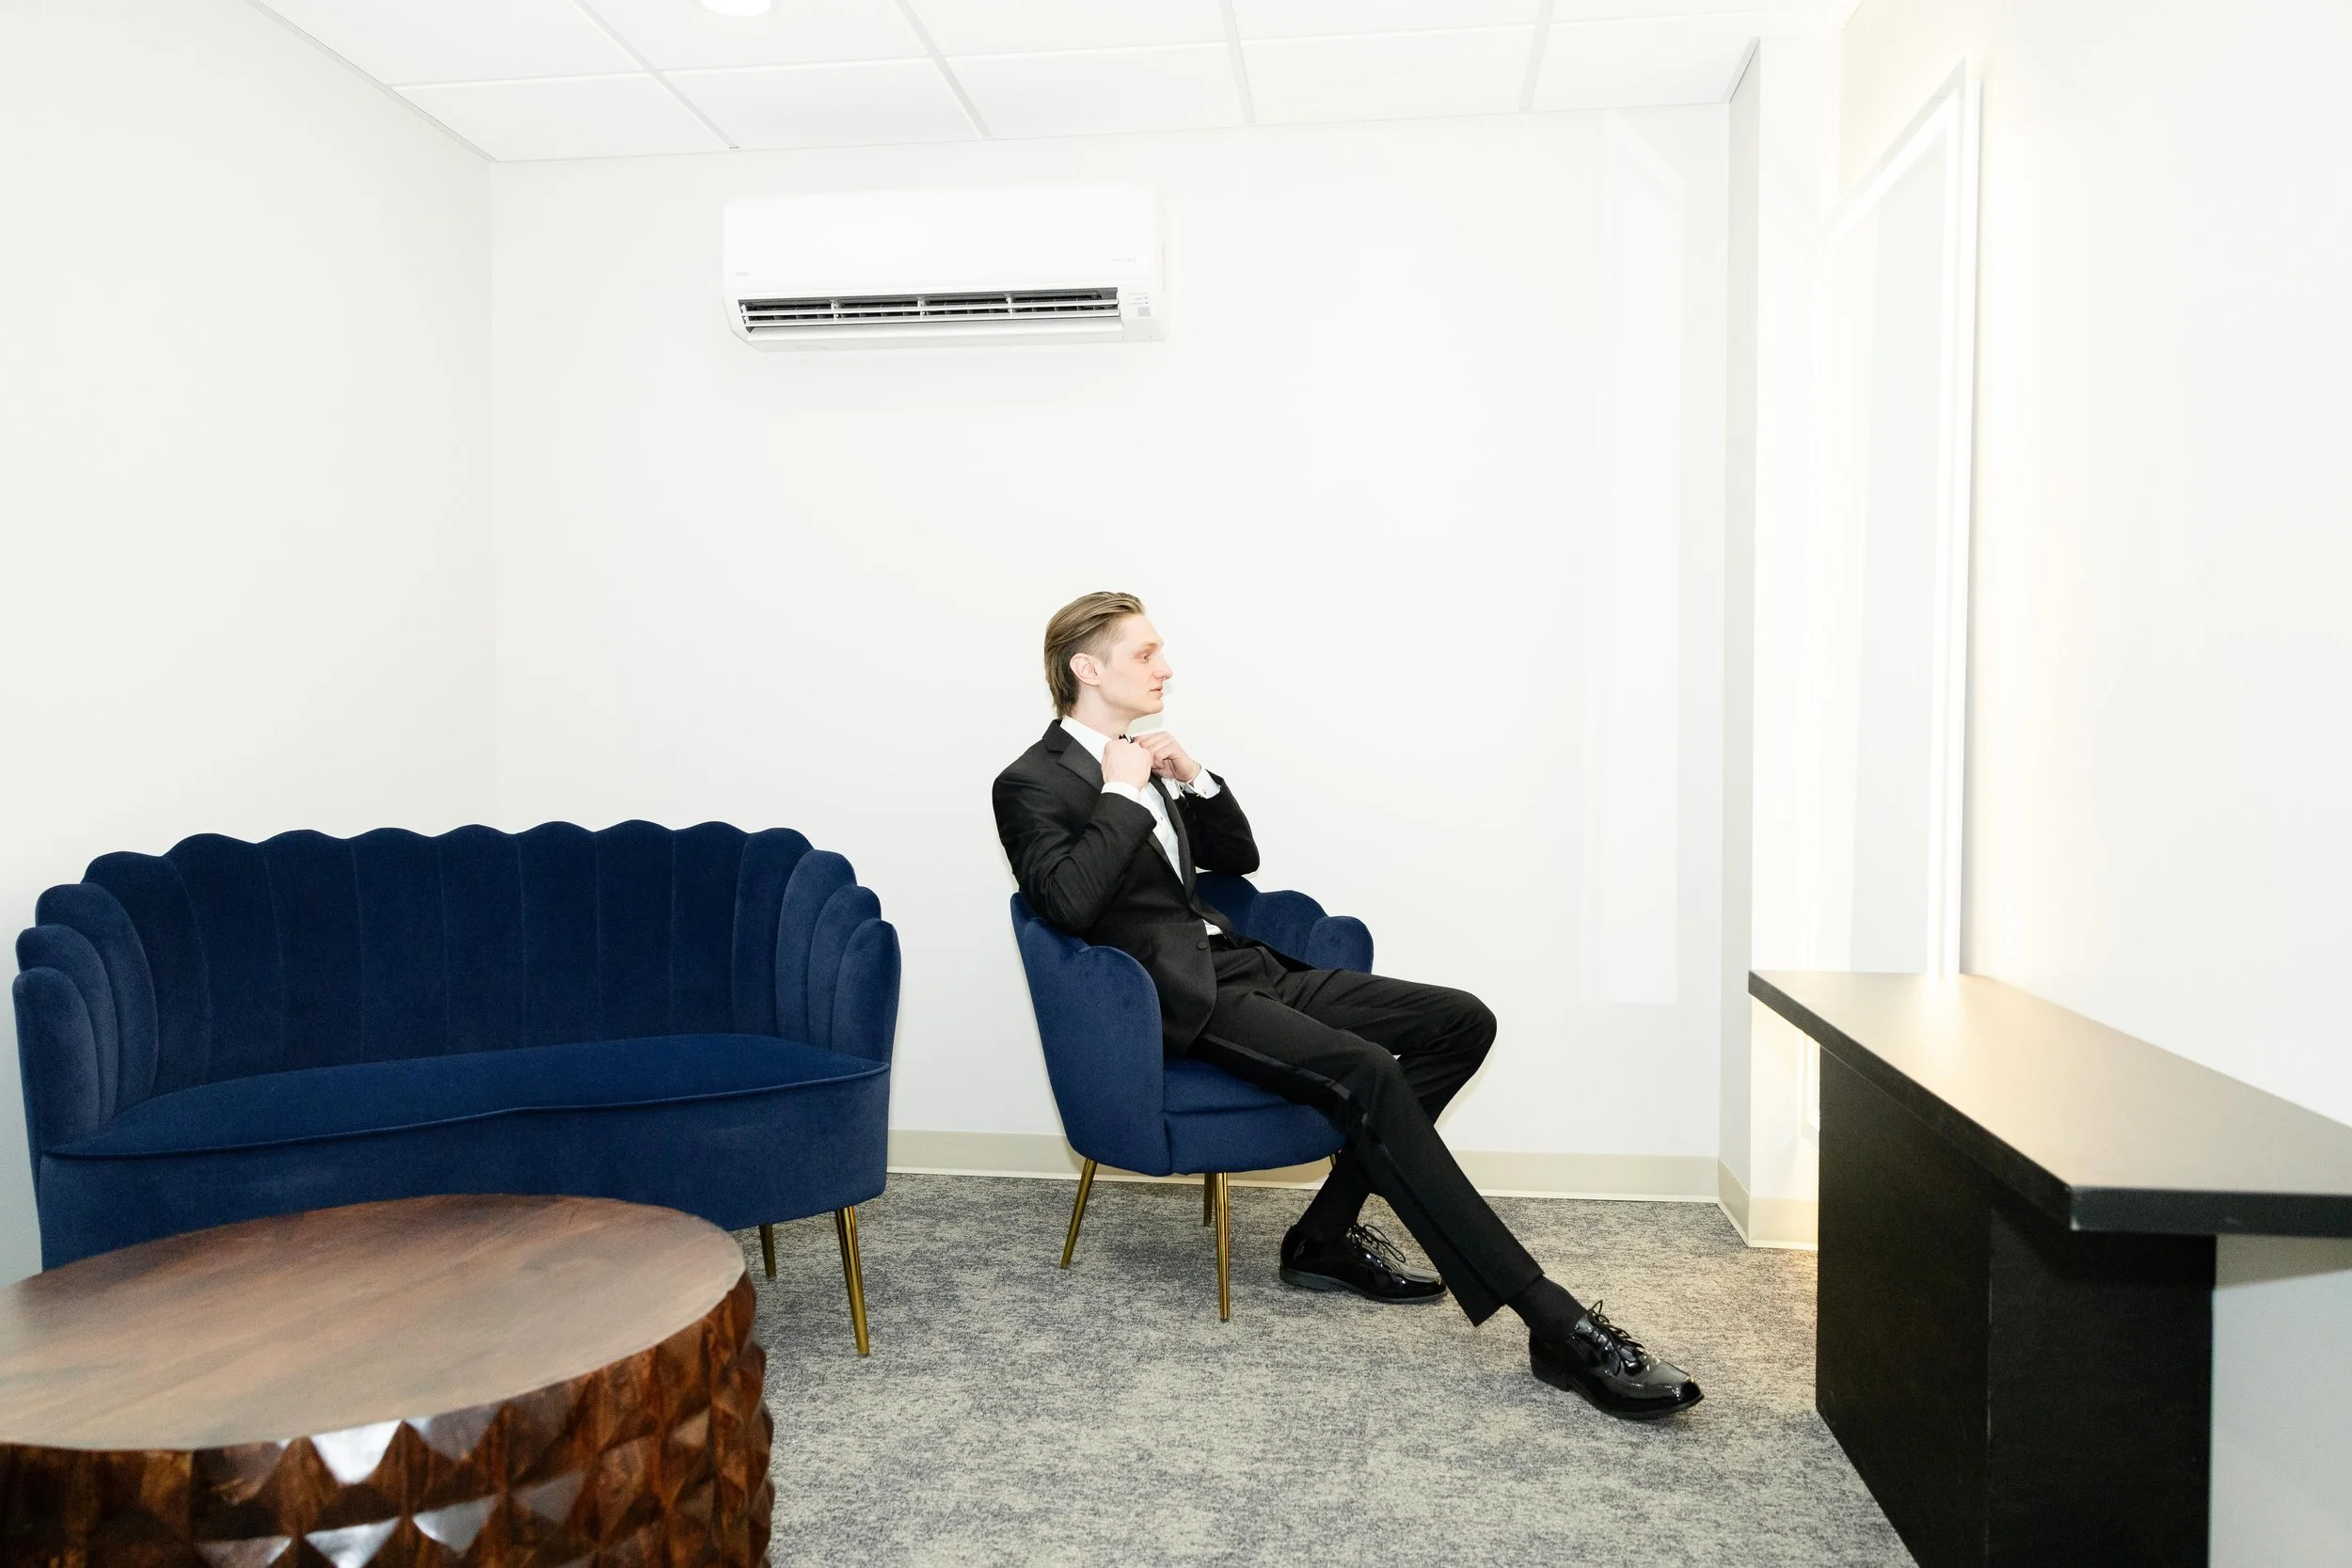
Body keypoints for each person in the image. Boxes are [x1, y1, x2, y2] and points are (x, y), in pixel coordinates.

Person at [991, 591, 1702, 1421]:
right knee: (1365, 1071)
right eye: (1146, 653)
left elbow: (1239, 859)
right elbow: (1067, 904)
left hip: (1247, 966)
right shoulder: (1029, 782)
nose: (1166, 667)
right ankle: (1553, 1322)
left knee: (1462, 1019)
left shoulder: (1144, 756)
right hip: (1180, 1000)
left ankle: (1324, 1233)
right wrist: (1119, 795)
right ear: (1088, 668)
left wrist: (1195, 778)